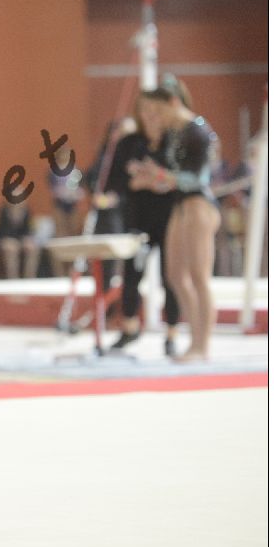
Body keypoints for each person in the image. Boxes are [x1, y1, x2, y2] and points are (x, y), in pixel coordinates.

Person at [134, 81, 221, 361]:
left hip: (198, 204)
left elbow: (197, 178)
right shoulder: (175, 133)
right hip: (180, 203)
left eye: (158, 111)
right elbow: (172, 177)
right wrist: (151, 178)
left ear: (173, 102)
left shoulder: (197, 131)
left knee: (198, 276)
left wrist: (160, 175)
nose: (155, 118)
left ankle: (202, 346)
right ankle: (194, 340)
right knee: (175, 275)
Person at [109, 96, 181, 354]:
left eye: (155, 110)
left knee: (170, 277)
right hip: (138, 219)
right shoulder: (129, 143)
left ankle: (171, 333)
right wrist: (136, 182)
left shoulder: (174, 142)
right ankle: (129, 326)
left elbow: (180, 178)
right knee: (132, 273)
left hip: (169, 218)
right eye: (145, 110)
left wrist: (152, 179)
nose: (150, 116)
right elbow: (115, 180)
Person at [0, 202, 39, 279]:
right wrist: (12, 240)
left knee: (32, 247)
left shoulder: (26, 211)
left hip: (20, 239)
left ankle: (30, 277)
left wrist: (27, 239)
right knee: (12, 248)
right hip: (4, 239)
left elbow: (27, 230)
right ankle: (13, 278)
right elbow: (1, 231)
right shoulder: (4, 210)